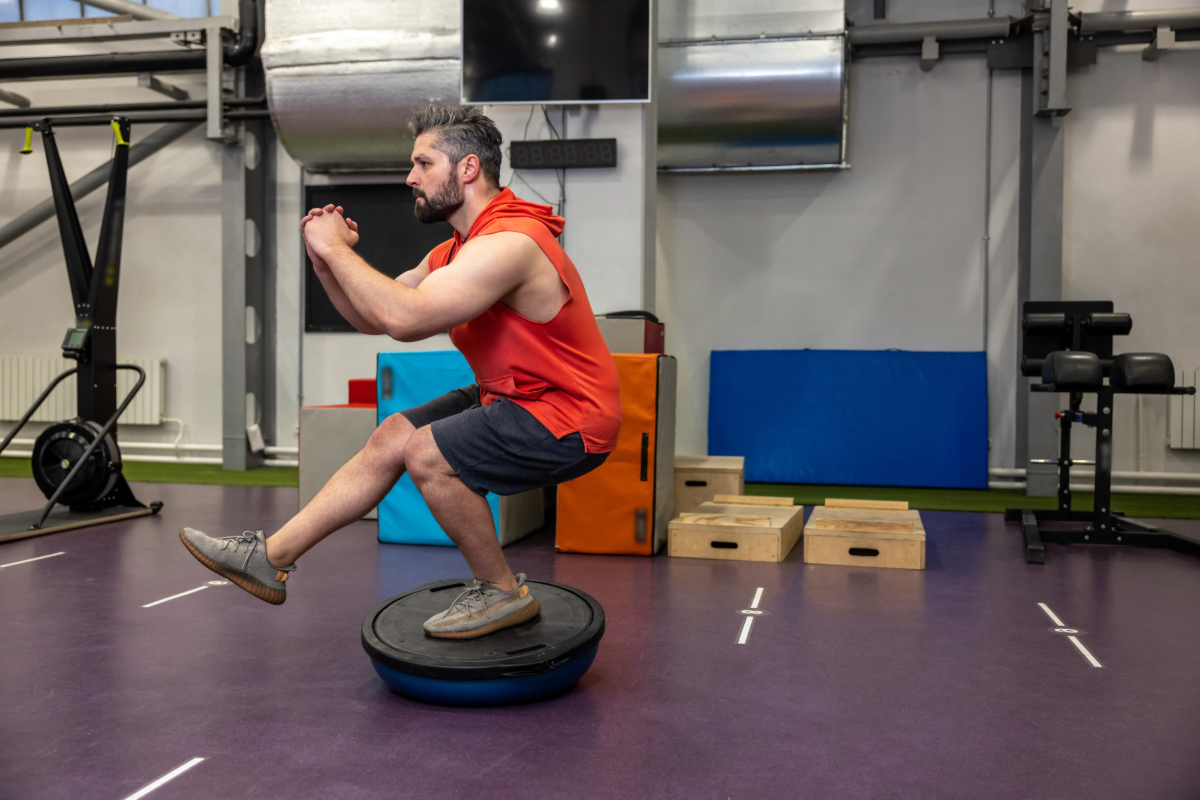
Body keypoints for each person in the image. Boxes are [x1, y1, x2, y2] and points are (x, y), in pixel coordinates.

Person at [179, 106, 621, 639]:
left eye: (423, 163)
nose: (410, 177)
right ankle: (269, 558)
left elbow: (404, 319)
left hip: (571, 419)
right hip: (514, 398)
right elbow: (374, 316)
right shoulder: (454, 251)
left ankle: (503, 592)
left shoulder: (510, 244)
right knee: (394, 435)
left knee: (427, 452)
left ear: (467, 169)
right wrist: (325, 260)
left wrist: (337, 248)